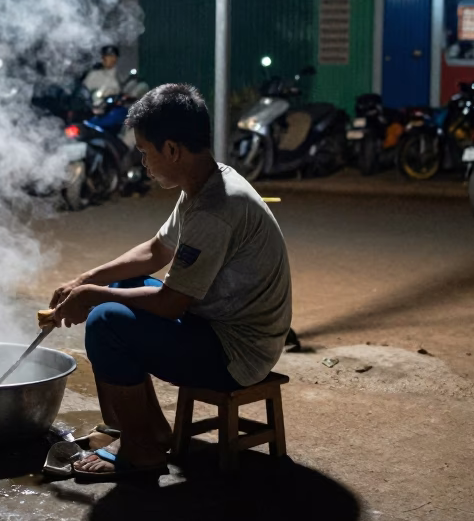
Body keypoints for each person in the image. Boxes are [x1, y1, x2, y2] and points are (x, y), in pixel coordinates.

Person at [48, 82, 292, 480]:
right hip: (215, 325)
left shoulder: (215, 208)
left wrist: (92, 296)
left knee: (106, 322)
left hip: (238, 353)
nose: (143, 162)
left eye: (145, 151)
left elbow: (171, 304)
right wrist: (87, 279)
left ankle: (140, 449)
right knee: (125, 289)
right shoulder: (204, 183)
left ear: (172, 150)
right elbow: (157, 250)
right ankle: (150, 430)